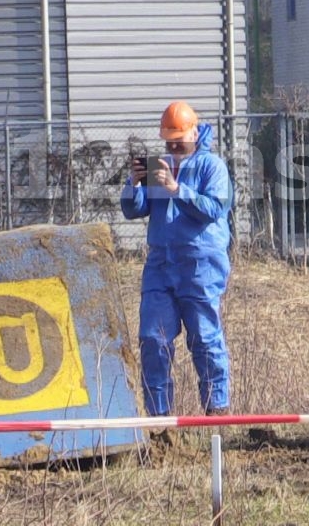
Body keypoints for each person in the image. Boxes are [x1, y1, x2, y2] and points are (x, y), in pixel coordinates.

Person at [121, 101, 234, 417]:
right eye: (168, 139)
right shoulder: (161, 165)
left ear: (194, 133)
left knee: (204, 339)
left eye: (179, 138)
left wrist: (176, 189)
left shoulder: (212, 167)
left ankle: (217, 412)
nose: (173, 145)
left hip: (200, 265)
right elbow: (133, 210)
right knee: (152, 340)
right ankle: (160, 422)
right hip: (160, 265)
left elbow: (213, 209)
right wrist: (135, 183)